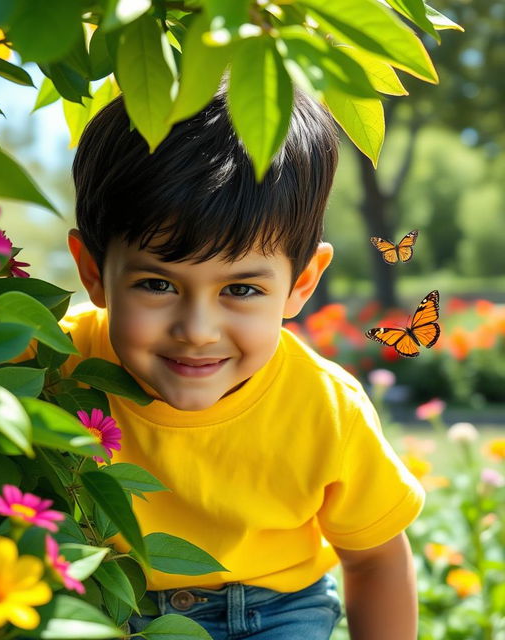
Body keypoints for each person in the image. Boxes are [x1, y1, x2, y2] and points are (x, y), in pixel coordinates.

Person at [59, 86, 425, 640]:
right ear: (92, 273)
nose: (197, 331)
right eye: (157, 284)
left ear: (301, 283)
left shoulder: (325, 408)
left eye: (242, 290)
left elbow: (375, 559)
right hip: (104, 600)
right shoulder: (49, 363)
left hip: (274, 610)